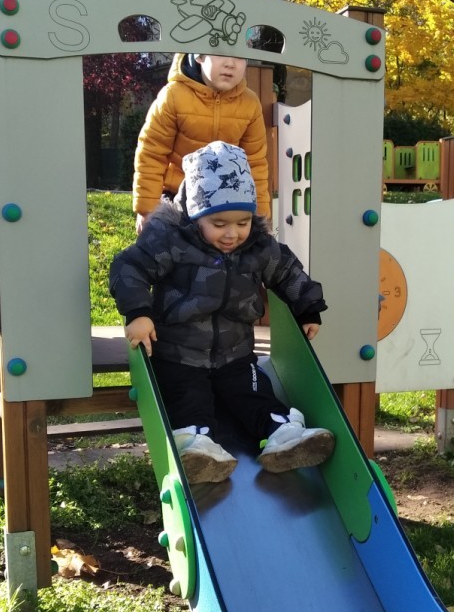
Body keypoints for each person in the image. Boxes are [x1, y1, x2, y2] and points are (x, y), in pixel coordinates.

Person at [110, 141, 333, 483]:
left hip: (235, 354)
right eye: (219, 223)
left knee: (254, 393)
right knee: (189, 401)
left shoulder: (256, 246)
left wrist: (308, 307)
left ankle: (284, 435)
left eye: (243, 222)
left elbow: (287, 271)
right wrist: (139, 312)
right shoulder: (171, 241)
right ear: (195, 214)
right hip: (179, 355)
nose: (232, 234)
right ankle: (196, 447)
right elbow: (129, 268)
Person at [132, 53, 271, 234]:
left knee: (231, 243)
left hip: (226, 198)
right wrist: (147, 209)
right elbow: (152, 153)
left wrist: (260, 217)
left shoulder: (249, 103)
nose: (230, 64)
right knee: (166, 242)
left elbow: (255, 162)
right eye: (220, 54)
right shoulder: (173, 96)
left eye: (239, 56)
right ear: (199, 56)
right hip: (178, 195)